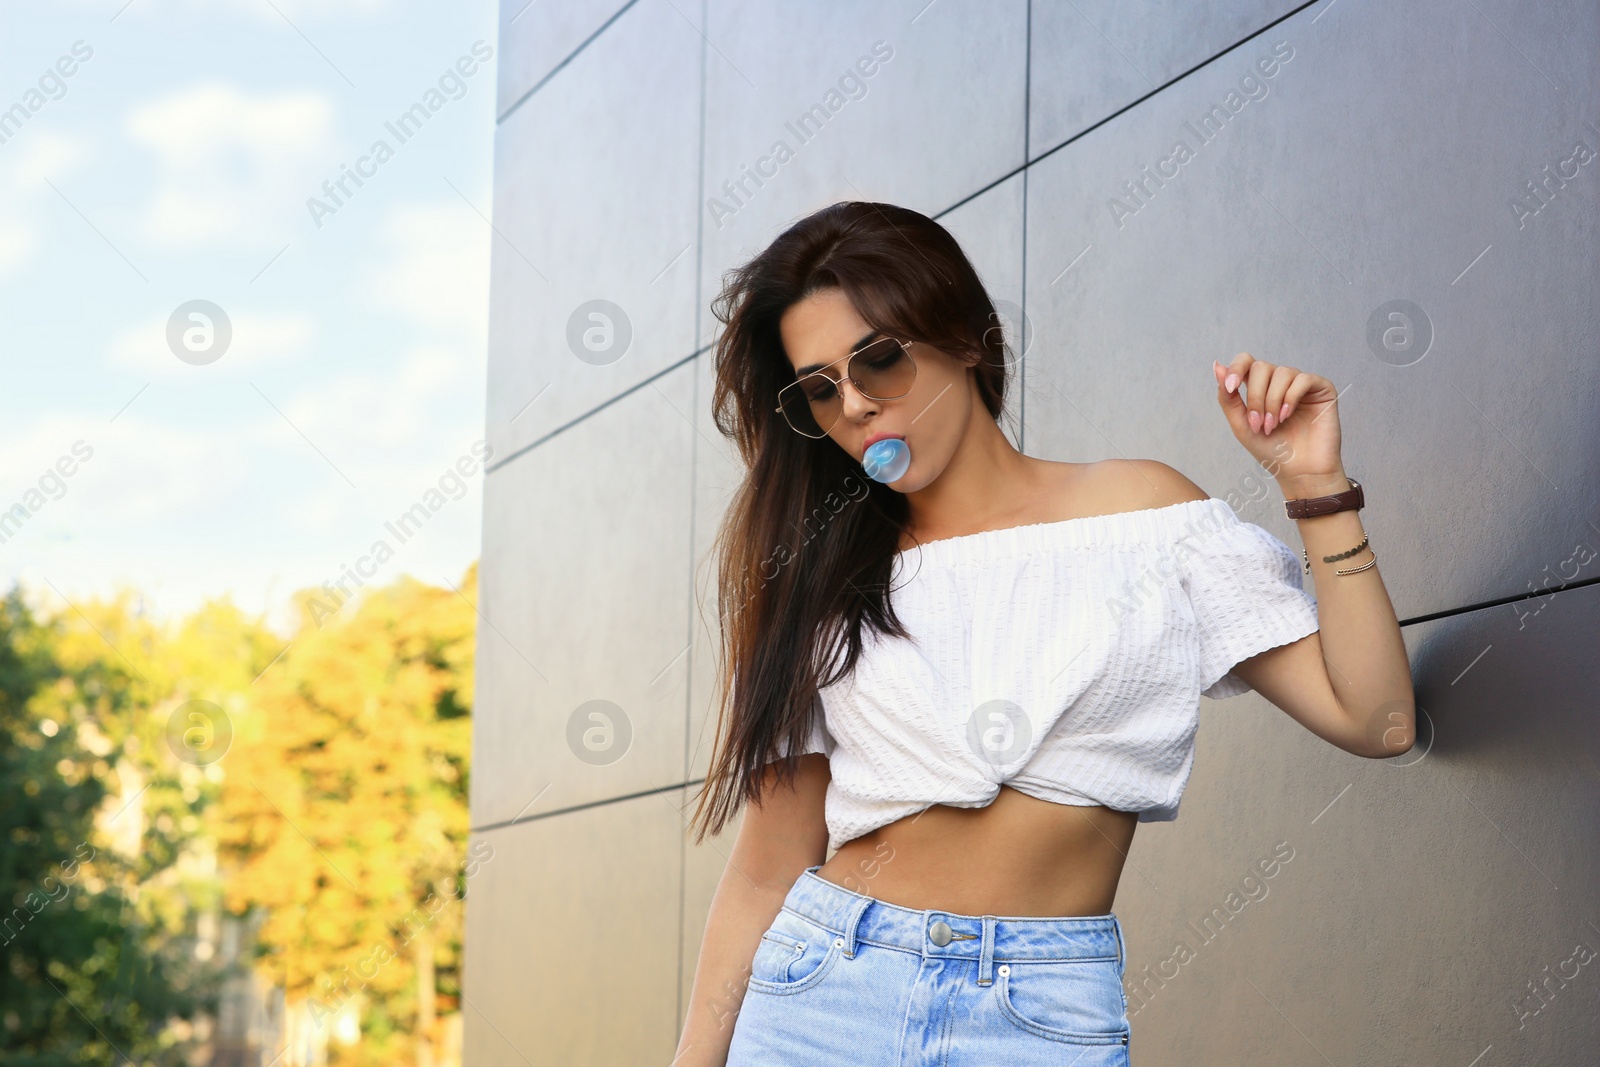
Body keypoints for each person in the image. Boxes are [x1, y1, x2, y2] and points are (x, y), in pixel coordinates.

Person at [674, 201, 1414, 1065]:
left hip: (1037, 1010)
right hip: (823, 995)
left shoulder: (1144, 515)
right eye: (821, 389)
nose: (858, 404)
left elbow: (1377, 720)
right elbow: (769, 861)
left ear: (969, 339)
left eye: (879, 359)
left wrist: (1315, 484)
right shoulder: (823, 577)